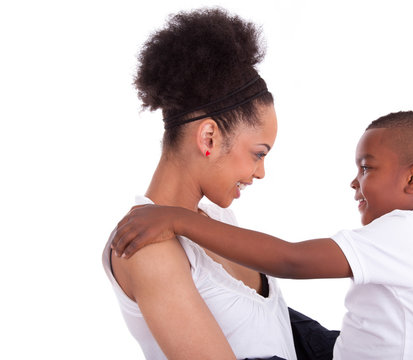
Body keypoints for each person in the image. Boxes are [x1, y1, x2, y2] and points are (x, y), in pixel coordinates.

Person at [112, 111, 413, 360]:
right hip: (338, 350)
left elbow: (292, 259)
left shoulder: (407, 233)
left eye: (366, 167)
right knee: (277, 313)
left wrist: (180, 220)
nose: (354, 181)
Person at [102, 8, 337, 360]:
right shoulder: (147, 247)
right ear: (209, 138)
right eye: (258, 153)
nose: (260, 173)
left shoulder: (217, 221)